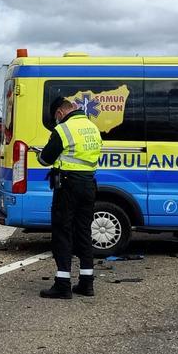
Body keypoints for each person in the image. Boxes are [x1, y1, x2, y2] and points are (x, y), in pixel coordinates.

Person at [36, 96, 103, 299]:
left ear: (59, 112)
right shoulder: (92, 127)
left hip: (68, 186)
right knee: (83, 231)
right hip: (89, 184)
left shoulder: (63, 130)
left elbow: (45, 159)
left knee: (62, 231)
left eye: (56, 117)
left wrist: (41, 154)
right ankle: (86, 283)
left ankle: (63, 284)